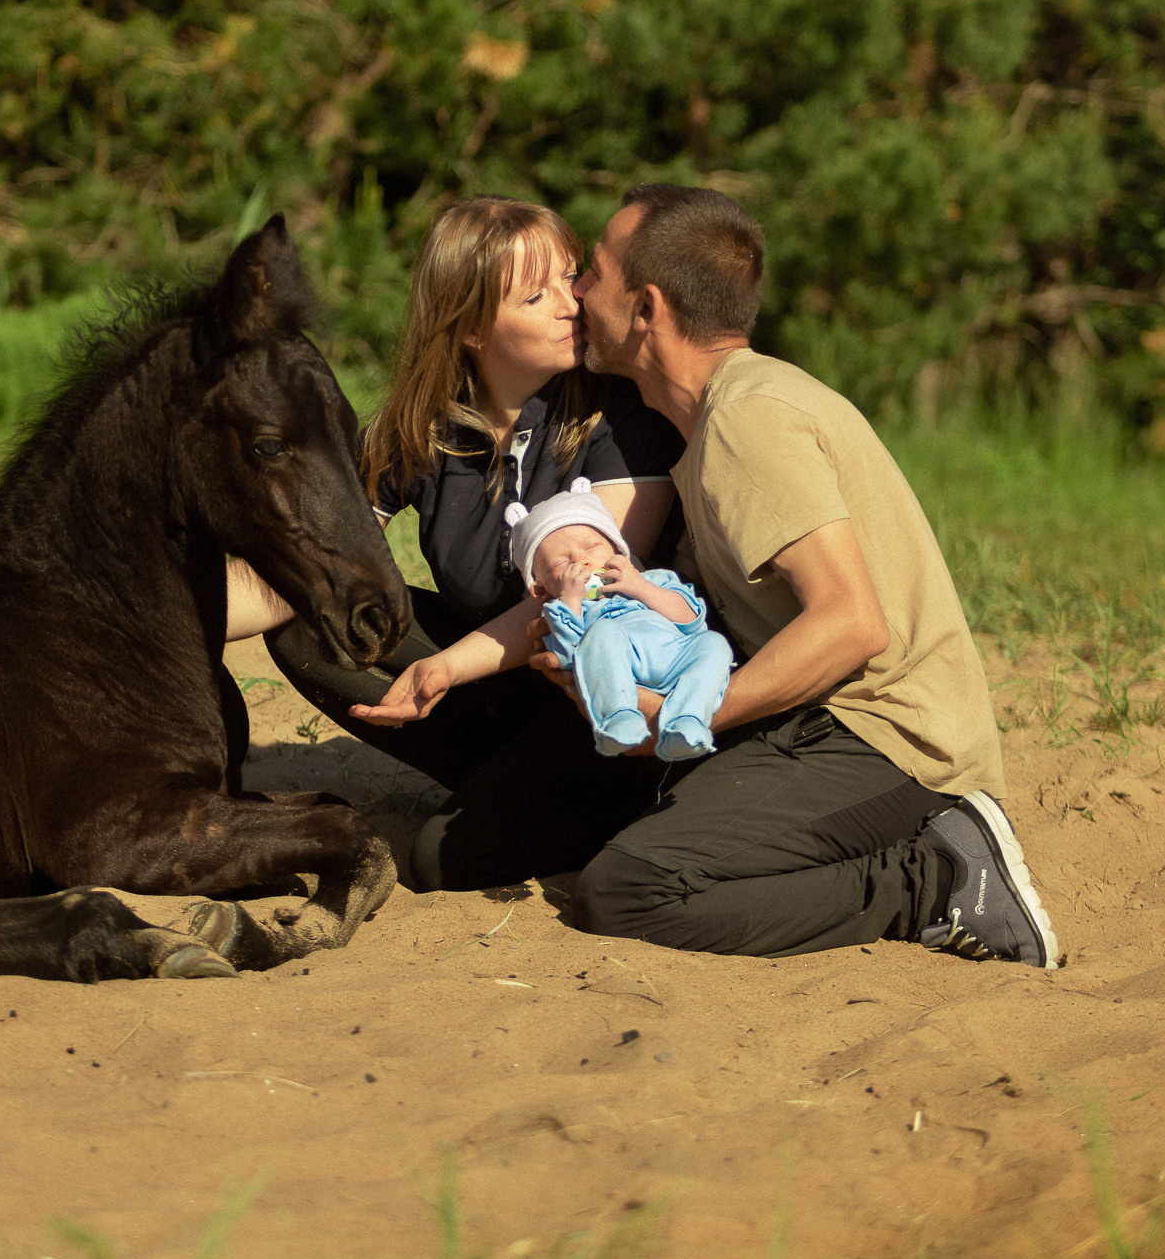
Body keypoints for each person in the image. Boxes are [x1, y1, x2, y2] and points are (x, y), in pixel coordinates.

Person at [553, 182, 1062, 966]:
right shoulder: (723, 416)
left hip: (893, 740)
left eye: (591, 271)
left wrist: (684, 719)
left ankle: (937, 878)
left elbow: (851, 623)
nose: (576, 291)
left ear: (647, 307)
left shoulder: (748, 418)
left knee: (627, 887)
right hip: (834, 726)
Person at [225, 195, 684, 891]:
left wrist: (449, 668)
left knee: (441, 859)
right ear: (471, 327)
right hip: (507, 695)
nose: (572, 304)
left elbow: (588, 595)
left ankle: (612, 803)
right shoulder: (417, 433)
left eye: (571, 277)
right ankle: (506, 782)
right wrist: (154, 627)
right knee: (311, 622)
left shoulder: (623, 418)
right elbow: (300, 569)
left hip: (608, 709)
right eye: (539, 295)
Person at [506, 479, 733, 762]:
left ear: (618, 550)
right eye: (561, 563)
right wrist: (571, 602)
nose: (582, 561)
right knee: (603, 631)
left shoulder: (653, 580)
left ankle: (686, 721)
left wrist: (639, 587)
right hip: (623, 678)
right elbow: (570, 660)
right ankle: (618, 720)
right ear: (540, 589)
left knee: (713, 644)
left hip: (675, 658)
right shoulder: (561, 614)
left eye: (592, 546)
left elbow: (691, 622)